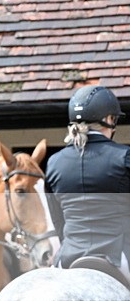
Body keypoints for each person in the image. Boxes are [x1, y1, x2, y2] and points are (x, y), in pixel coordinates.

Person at [45, 84, 130, 283]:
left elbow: (59, 223)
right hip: (119, 257)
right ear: (109, 120)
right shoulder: (124, 157)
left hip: (67, 259)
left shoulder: (54, 163)